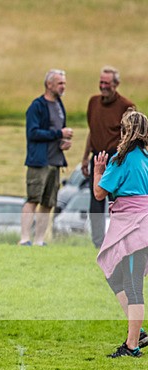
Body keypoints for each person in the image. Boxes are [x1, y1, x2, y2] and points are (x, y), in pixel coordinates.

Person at [93, 110, 148, 358]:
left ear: (127, 132)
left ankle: (132, 345)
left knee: (133, 284)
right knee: (114, 276)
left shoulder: (121, 159)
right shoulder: (146, 157)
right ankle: (138, 332)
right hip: (139, 224)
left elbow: (99, 194)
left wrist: (98, 171)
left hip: (134, 228)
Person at [81, 66, 135, 249]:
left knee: (117, 200)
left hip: (116, 159)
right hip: (97, 156)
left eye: (107, 83)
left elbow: (131, 137)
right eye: (101, 82)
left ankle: (118, 239)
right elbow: (92, 131)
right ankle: (98, 243)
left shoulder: (126, 106)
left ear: (116, 84)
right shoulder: (93, 102)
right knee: (95, 200)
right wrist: (84, 157)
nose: (103, 86)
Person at [19, 69, 74, 246]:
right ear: (49, 84)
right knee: (33, 198)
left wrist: (63, 142)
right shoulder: (37, 106)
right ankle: (24, 238)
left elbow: (56, 133)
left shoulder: (59, 105)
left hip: (55, 161)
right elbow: (33, 133)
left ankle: (39, 240)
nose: (63, 86)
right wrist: (59, 133)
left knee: (48, 202)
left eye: (64, 83)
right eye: (60, 83)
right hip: (39, 162)